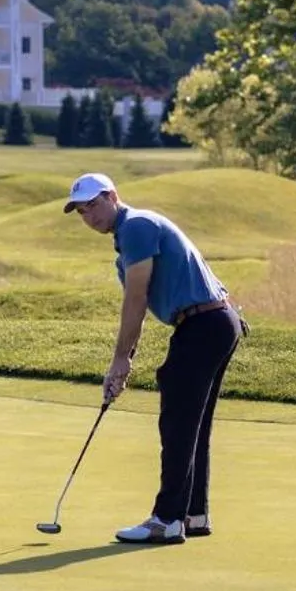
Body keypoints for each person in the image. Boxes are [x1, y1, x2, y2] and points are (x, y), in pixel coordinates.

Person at [64, 170, 242, 546]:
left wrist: (118, 360)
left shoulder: (136, 226)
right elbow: (140, 306)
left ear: (112, 196)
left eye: (93, 205)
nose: (89, 216)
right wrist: (126, 358)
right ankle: (193, 514)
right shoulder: (130, 237)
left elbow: (137, 298)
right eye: (81, 212)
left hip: (204, 324)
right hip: (214, 323)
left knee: (177, 423)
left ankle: (167, 519)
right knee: (192, 424)